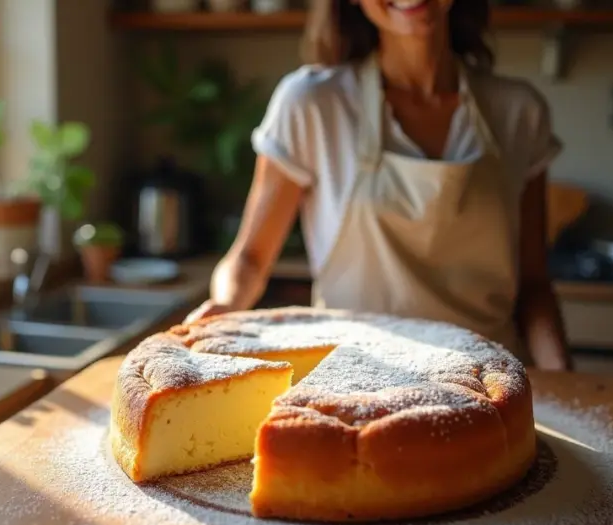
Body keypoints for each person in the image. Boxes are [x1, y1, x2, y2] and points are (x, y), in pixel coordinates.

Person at [185, 0, 572, 370]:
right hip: (352, 375)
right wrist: (224, 306)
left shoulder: (520, 113)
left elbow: (534, 285)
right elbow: (251, 258)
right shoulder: (312, 105)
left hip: (486, 382)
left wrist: (563, 377)